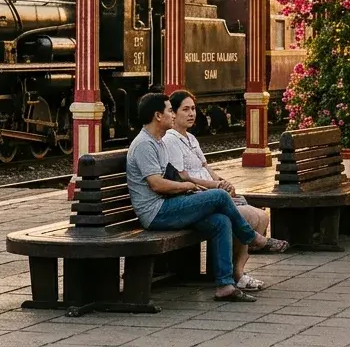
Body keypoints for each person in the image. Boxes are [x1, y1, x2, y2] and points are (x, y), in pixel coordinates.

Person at [124, 93, 289, 303]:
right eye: (170, 110)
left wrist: (193, 188)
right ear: (158, 115)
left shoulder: (158, 142)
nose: (173, 115)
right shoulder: (144, 144)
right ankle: (253, 238)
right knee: (219, 196)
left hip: (168, 204)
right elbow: (157, 183)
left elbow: (172, 175)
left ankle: (225, 285)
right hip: (156, 212)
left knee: (221, 222)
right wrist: (187, 186)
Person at [164, 91, 271, 292]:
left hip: (210, 192)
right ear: (174, 113)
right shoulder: (171, 140)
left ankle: (237, 271)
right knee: (247, 217)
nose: (191, 114)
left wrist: (223, 181)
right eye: (185, 109)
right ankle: (236, 275)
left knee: (263, 217)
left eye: (193, 109)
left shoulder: (191, 138)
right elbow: (183, 176)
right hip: (197, 196)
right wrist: (216, 187)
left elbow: (207, 168)